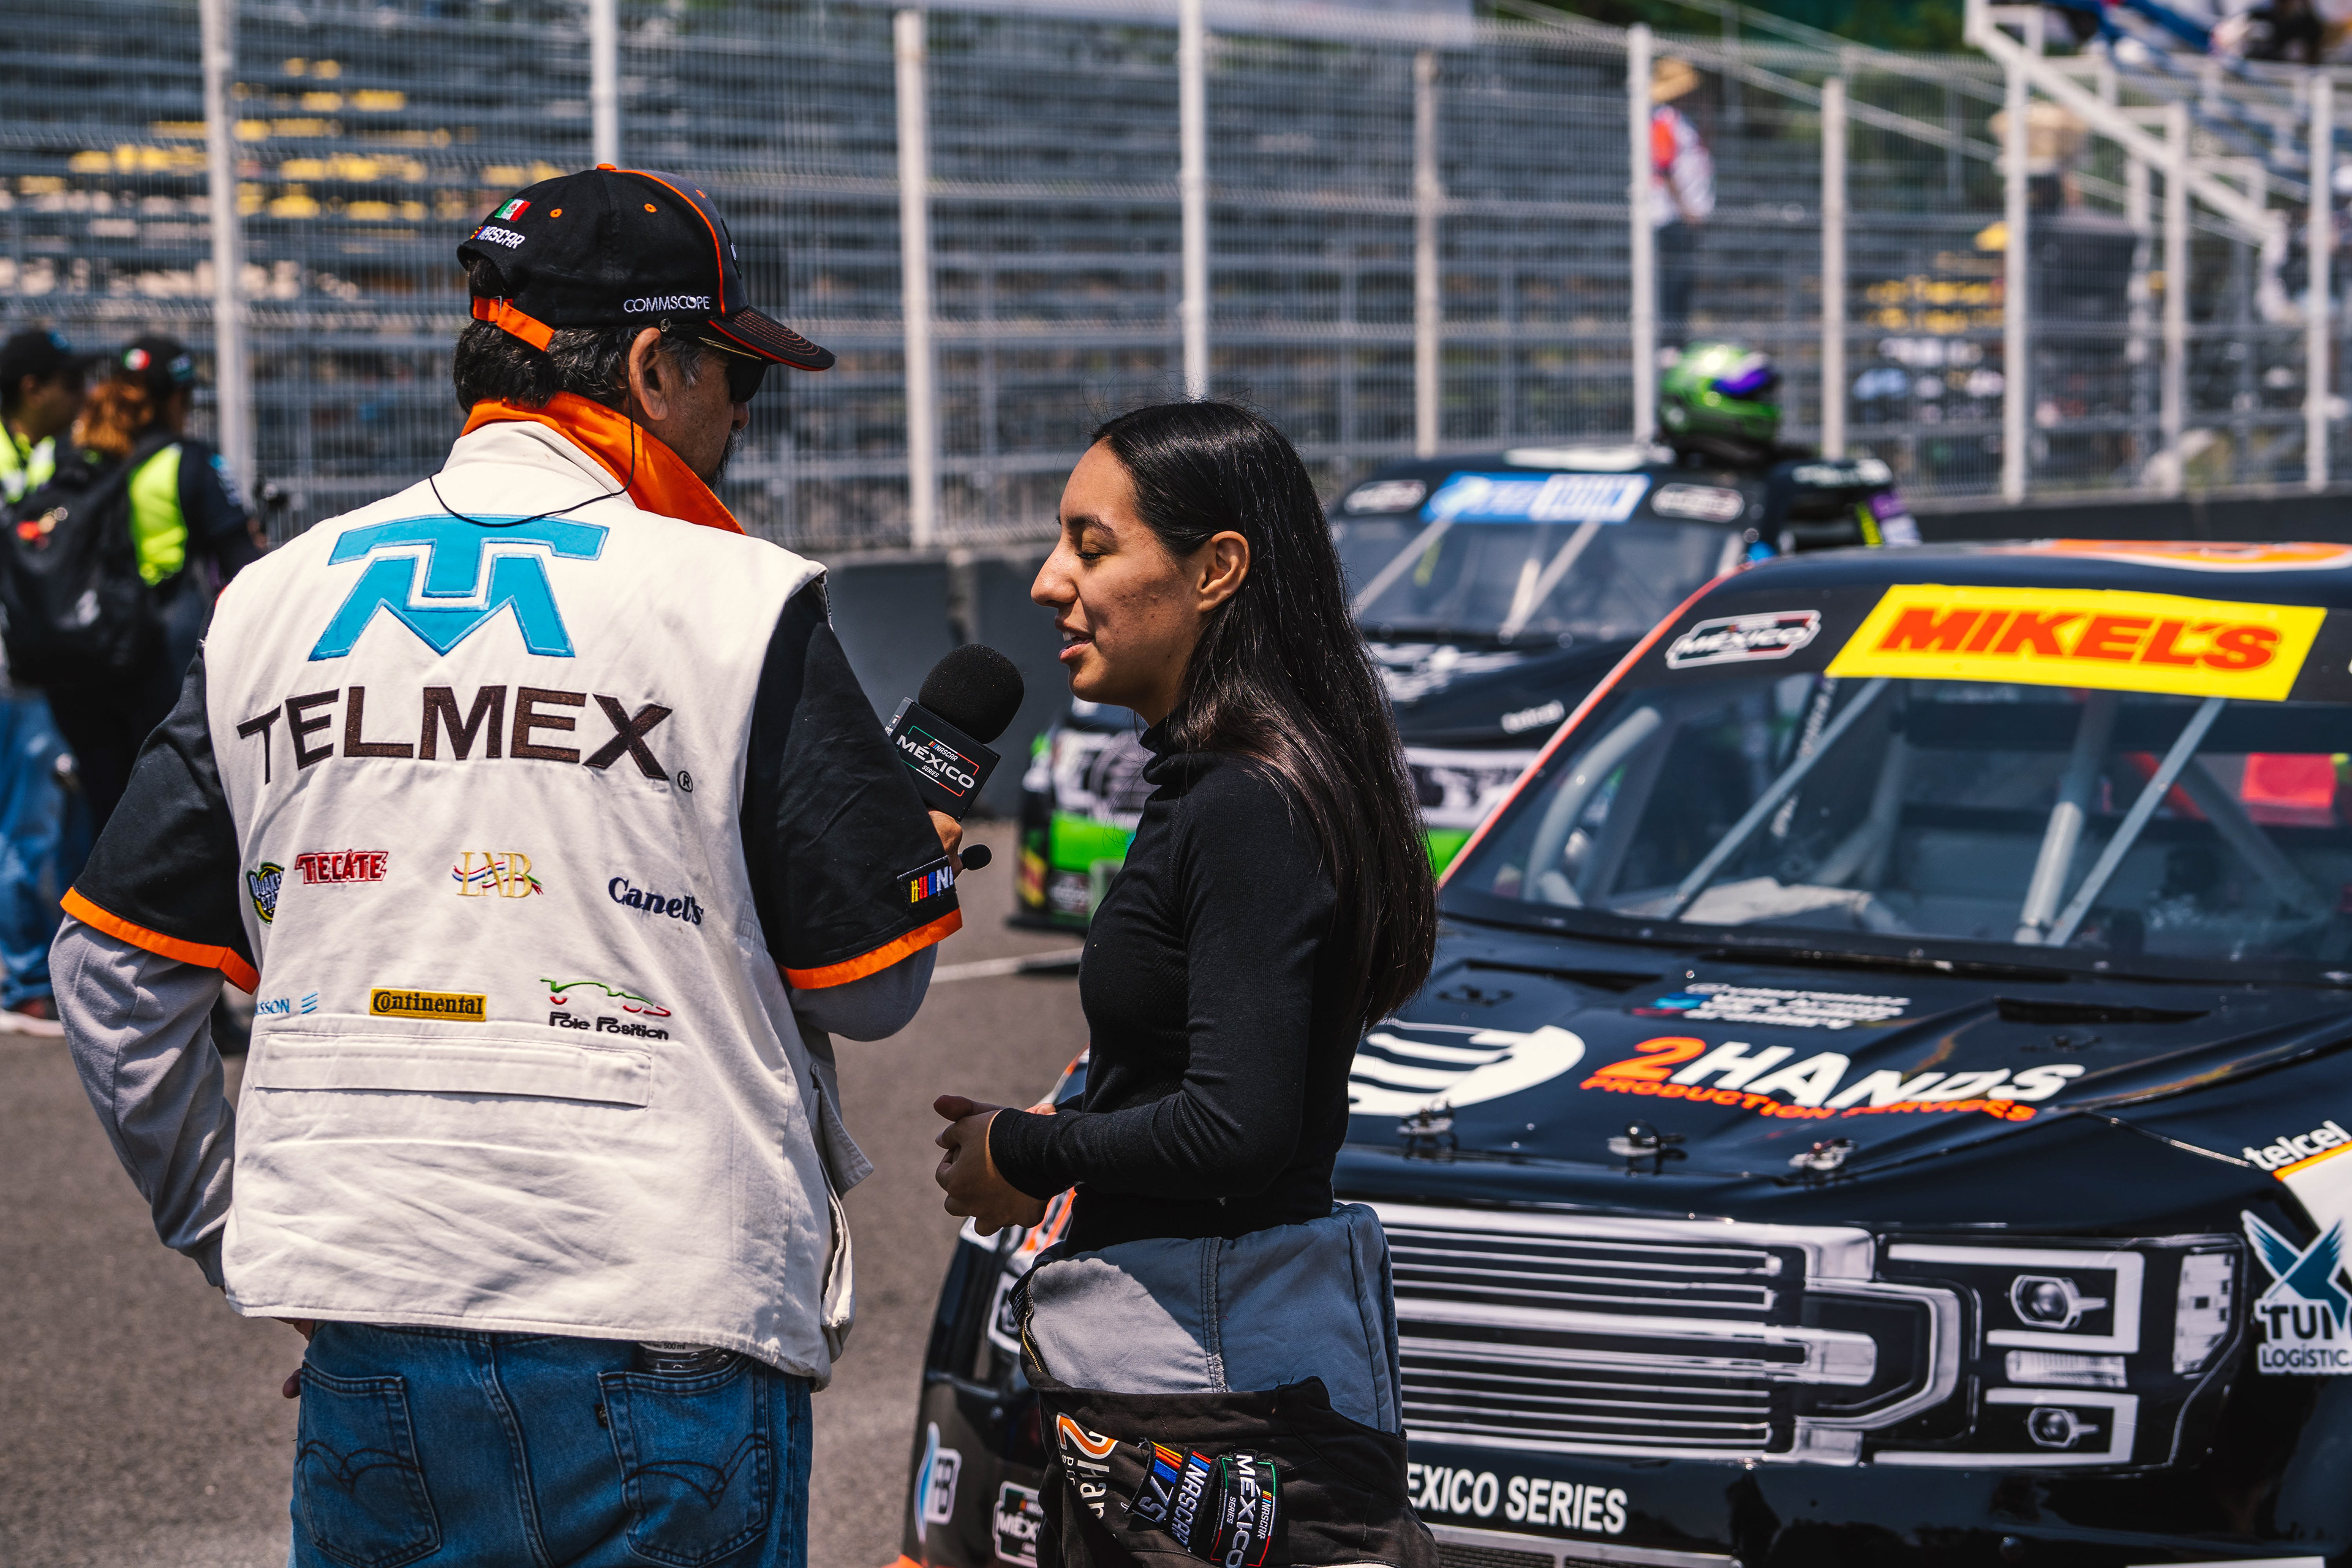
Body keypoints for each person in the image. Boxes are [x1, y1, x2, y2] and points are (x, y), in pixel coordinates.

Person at [55, 167, 965, 1568]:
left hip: (374, 1331)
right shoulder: (739, 600)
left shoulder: (272, 600)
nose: (742, 420)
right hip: (670, 1319)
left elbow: (110, 978)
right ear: (654, 367)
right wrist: (910, 854)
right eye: (736, 379)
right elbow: (875, 987)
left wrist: (238, 1230)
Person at [931, 402, 1441, 1567]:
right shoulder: (1232, 782)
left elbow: (1237, 1129)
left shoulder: (1247, 801)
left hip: (1217, 1385)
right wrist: (1068, 1121)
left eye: (1092, 546)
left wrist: (1030, 1150)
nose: (1050, 582)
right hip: (1203, 1371)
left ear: (1217, 571)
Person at [47, 336, 263, 829]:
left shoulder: (67, 455)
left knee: (102, 817)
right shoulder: (188, 460)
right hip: (158, 653)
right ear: (176, 398)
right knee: (165, 813)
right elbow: (245, 567)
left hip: (77, 654)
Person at [0, 328, 88, 1028]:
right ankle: (27, 981)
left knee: (40, 817)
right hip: (14, 671)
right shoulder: (15, 460)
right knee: (27, 822)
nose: (80, 395)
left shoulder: (54, 454)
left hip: (37, 664)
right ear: (33, 389)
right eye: (68, 383)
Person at [1657, 339, 1920, 551]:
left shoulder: (1789, 475)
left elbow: (1903, 556)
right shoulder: (1651, 470)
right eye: (1748, 393)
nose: (1764, 403)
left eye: (1762, 394)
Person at [1650, 56, 1714, 342]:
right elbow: (1663, 169)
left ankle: (1678, 341)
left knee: (1684, 281)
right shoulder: (1664, 122)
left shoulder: (1683, 122)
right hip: (1672, 214)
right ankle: (1670, 343)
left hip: (1686, 214)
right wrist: (1685, 208)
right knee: (1674, 282)